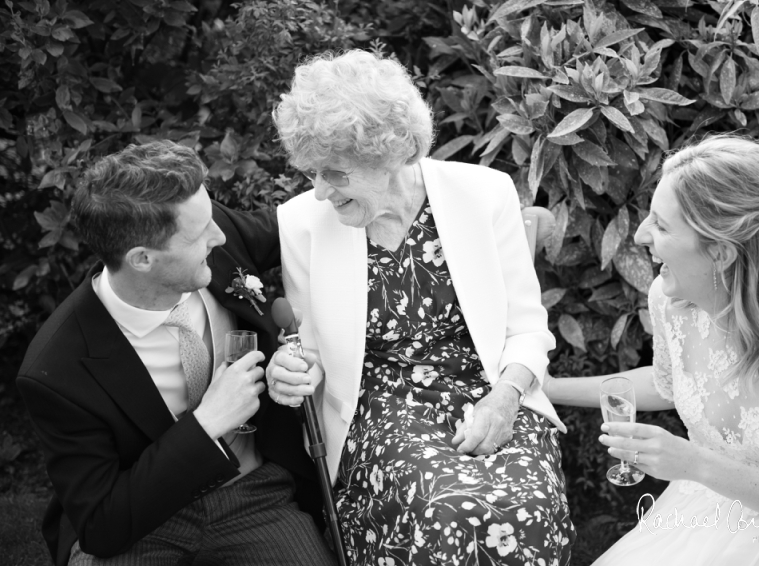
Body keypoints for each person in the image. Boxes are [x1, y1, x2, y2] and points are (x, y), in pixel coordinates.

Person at [265, 50, 575, 565]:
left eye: (334, 174)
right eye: (311, 173)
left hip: (491, 396)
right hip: (381, 410)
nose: (319, 192)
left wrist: (506, 397)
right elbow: (311, 351)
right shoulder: (302, 224)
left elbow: (527, 329)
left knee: (527, 500)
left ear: (386, 156)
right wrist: (290, 370)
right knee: (442, 506)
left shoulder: (483, 194)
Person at [17, 141, 335, 566]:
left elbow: (300, 224)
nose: (219, 235)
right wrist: (207, 424)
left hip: (254, 494)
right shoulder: (55, 370)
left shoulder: (210, 231)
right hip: (144, 523)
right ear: (142, 258)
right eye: (200, 233)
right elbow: (102, 524)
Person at [545, 134, 759, 565]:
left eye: (662, 226)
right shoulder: (670, 297)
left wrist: (695, 465)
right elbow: (667, 382)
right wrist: (548, 387)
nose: (641, 234)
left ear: (722, 253)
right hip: (699, 510)